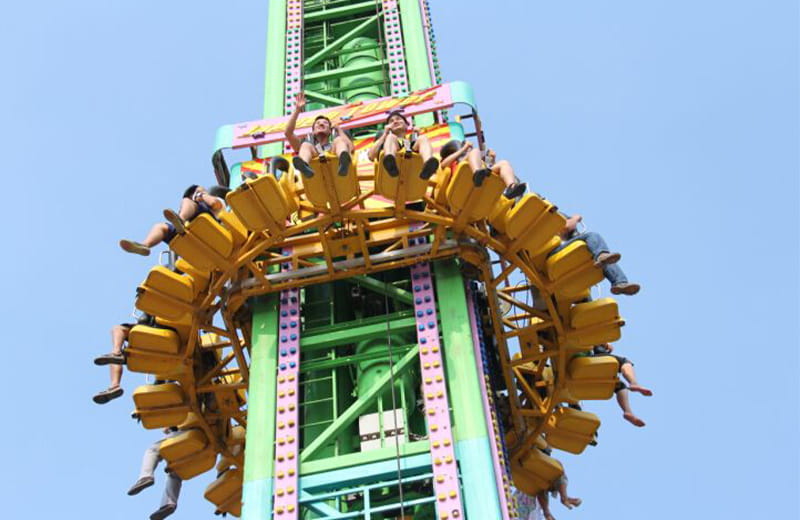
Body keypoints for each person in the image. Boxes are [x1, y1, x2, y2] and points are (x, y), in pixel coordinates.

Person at [119, 185, 226, 256]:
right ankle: (144, 246)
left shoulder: (212, 201)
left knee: (186, 205)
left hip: (215, 231)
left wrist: (202, 195)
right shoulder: (192, 207)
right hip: (193, 240)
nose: (194, 195)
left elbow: (214, 204)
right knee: (160, 227)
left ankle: (181, 220)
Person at [549, 214, 641, 295]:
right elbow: (567, 227)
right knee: (592, 236)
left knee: (602, 256)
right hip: (552, 253)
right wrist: (575, 218)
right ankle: (615, 277)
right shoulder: (548, 215)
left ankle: (619, 283)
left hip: (556, 256)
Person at [285, 92, 354, 178]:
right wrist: (297, 110)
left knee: (339, 140)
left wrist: (338, 129)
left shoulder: (334, 143)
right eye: (318, 123)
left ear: (330, 131)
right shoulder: (309, 146)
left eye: (325, 123)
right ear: (313, 132)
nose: (321, 124)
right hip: (316, 177)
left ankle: (344, 162)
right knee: (306, 145)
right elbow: (288, 133)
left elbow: (350, 148)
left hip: (338, 173)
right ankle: (304, 166)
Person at [438, 139, 527, 199]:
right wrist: (464, 149)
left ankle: (511, 187)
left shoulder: (474, 159)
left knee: (503, 163)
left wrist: (492, 160)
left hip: (479, 188)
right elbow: (443, 164)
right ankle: (477, 174)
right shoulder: (453, 162)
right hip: (459, 188)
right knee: (475, 152)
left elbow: (489, 171)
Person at [127, 427, 183, 520]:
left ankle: (146, 477)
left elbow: (178, 420)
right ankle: (168, 504)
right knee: (175, 470)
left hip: (187, 434)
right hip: (206, 446)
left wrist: (169, 427)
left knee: (153, 450)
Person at [368, 110, 439, 181]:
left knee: (423, 138)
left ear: (407, 124)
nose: (395, 122)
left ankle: (428, 164)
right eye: (391, 121)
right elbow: (371, 156)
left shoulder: (412, 140)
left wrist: (419, 134)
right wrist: (385, 135)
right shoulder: (385, 138)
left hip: (414, 180)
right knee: (391, 137)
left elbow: (419, 145)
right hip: (389, 181)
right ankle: (390, 161)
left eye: (398, 119)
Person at [593, 343, 652, 427]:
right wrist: (605, 343)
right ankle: (634, 383)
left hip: (590, 370)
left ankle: (628, 412)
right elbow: (592, 336)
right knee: (624, 361)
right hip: (592, 359)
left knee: (620, 385)